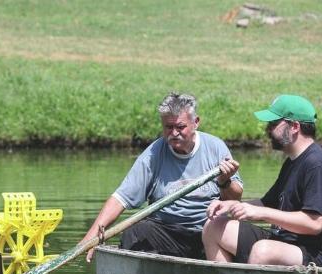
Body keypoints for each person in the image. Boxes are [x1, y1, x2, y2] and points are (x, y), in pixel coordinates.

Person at [82, 92, 242, 262]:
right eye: (168, 127)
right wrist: (90, 238)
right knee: (135, 232)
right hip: (167, 232)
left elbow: (235, 197)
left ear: (195, 123)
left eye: (180, 127)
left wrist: (225, 182)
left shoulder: (216, 147)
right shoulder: (153, 154)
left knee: (238, 233)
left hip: (208, 231)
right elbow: (121, 198)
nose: (174, 133)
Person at [201, 94, 322, 267]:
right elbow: (268, 203)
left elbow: (313, 224)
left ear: (294, 127)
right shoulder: (293, 161)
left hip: (318, 255)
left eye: (273, 124)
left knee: (263, 251)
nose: (267, 130)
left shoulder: (317, 164)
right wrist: (231, 206)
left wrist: (261, 214)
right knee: (213, 227)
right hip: (286, 242)